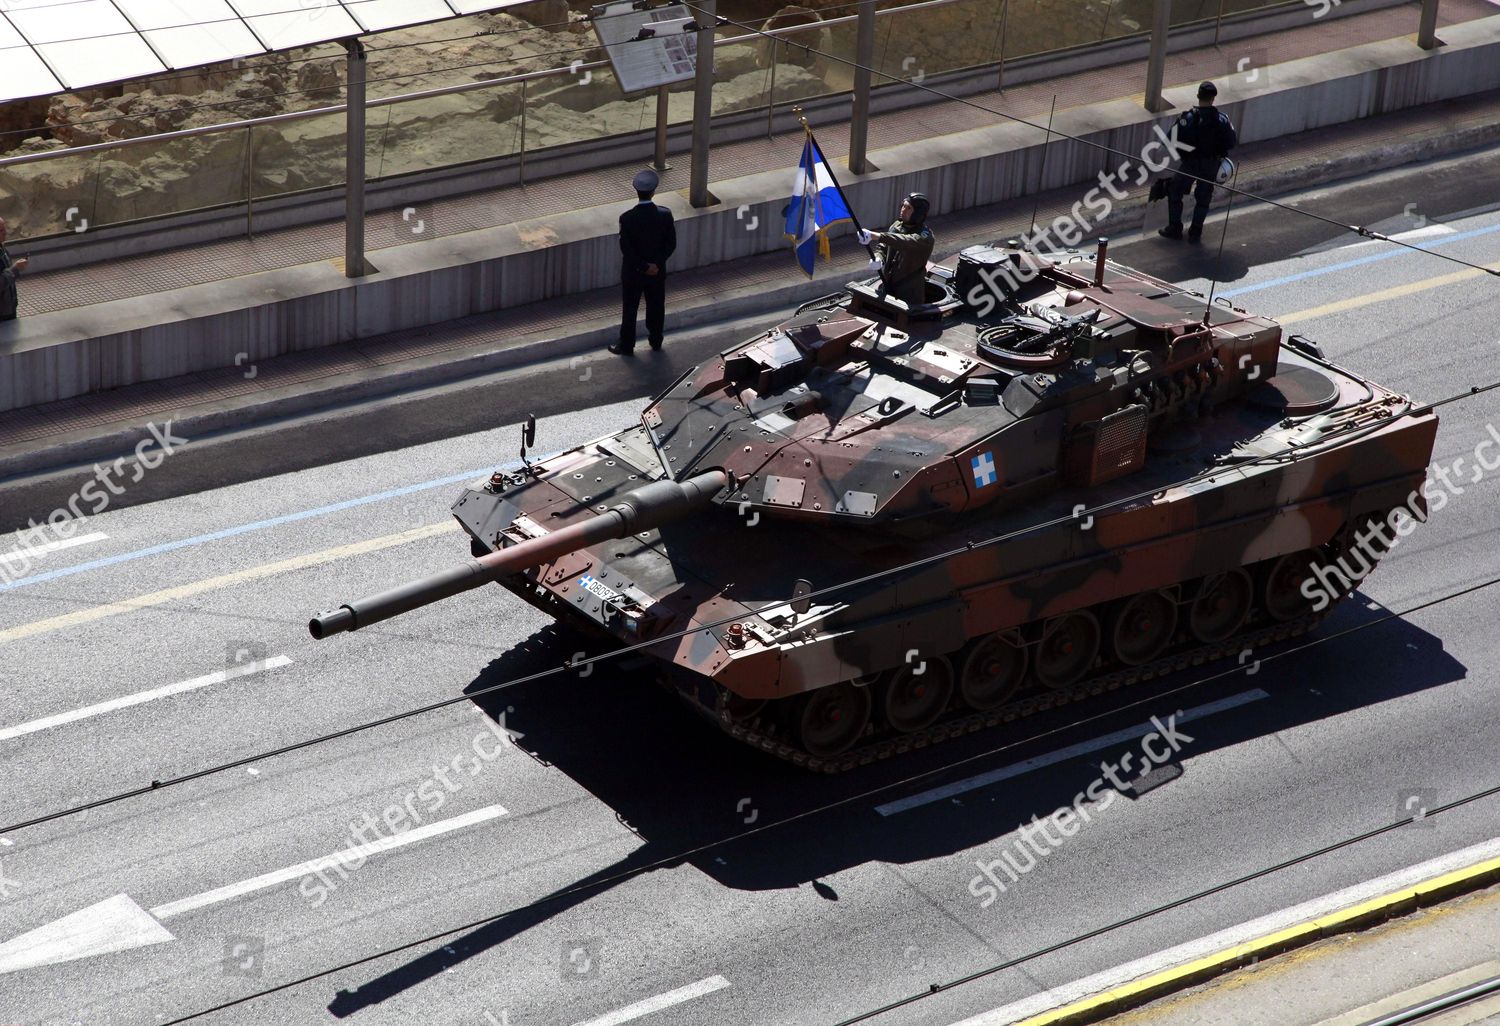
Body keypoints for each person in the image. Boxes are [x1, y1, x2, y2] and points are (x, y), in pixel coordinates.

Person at [1159, 81, 1237, 243]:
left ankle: (1175, 227)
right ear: (1213, 98)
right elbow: (1231, 142)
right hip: (1211, 165)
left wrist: (1184, 152)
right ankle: (1195, 232)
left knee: (1174, 191)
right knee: (1203, 197)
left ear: (1198, 96)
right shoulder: (1222, 120)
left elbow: (1169, 140)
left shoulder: (1187, 118)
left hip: (1190, 164)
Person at [610, 169, 676, 355]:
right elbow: (671, 244)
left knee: (630, 308)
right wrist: (656, 264)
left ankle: (627, 344)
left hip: (634, 273)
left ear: (636, 191)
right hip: (657, 272)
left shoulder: (627, 218)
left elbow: (627, 250)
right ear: (653, 192)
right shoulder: (665, 215)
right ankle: (656, 340)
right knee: (656, 305)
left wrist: (643, 266)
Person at [858, 193, 935, 306]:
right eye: (903, 206)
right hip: (888, 285)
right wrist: (879, 258)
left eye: (909, 208)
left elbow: (904, 241)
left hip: (909, 293)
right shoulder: (897, 226)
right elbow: (884, 247)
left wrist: (877, 236)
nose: (903, 210)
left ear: (918, 213)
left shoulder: (925, 236)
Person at [0, 217, 28, 322]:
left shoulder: (2, 249)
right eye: (1, 230)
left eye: (4, 229)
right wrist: (15, 269)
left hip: (8, 308)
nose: (5, 233)